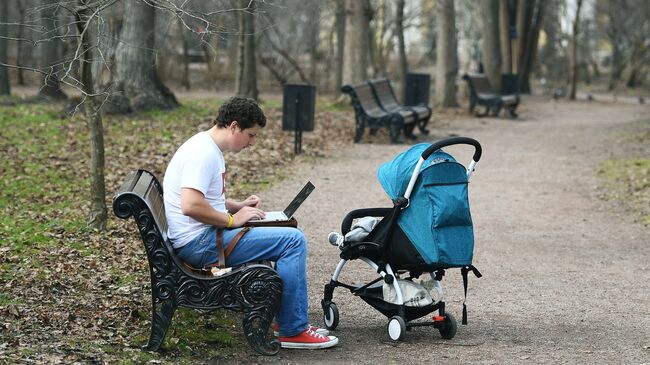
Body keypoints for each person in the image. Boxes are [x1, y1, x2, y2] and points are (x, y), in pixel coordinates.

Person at [162, 96, 338, 350]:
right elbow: (190, 205)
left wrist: (237, 205)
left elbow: (202, 199)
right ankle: (292, 330)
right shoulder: (203, 154)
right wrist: (232, 219)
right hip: (199, 244)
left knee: (288, 231)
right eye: (251, 135)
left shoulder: (207, 147)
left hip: (201, 237)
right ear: (234, 126)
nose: (252, 143)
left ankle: (289, 321)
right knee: (293, 241)